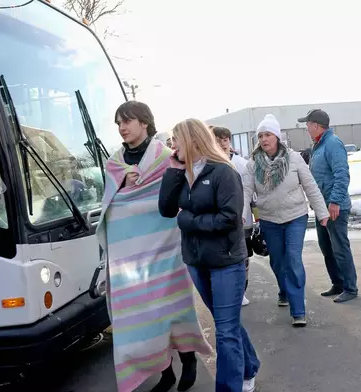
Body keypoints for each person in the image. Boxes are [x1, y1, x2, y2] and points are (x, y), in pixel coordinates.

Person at [97, 102, 211, 392]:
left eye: (128, 121)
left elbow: (181, 190)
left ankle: (188, 359)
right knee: (144, 317)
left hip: (165, 249)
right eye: (119, 123)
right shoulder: (115, 162)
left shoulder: (165, 156)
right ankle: (166, 373)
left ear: (144, 123)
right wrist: (124, 178)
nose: (122, 127)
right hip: (130, 257)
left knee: (172, 309)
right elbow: (110, 202)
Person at [159, 118, 260, 392]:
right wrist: (172, 171)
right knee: (226, 323)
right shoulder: (182, 173)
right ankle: (249, 366)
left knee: (225, 332)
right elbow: (166, 210)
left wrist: (189, 221)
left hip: (226, 261)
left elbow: (230, 218)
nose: (172, 146)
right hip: (196, 261)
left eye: (176, 140)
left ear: (192, 140)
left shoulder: (223, 173)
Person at [242, 114, 330, 326]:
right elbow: (245, 192)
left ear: (277, 136)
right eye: (260, 135)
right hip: (270, 220)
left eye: (268, 134)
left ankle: (298, 310)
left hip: (295, 217)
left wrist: (322, 212)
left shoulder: (294, 158)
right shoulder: (253, 164)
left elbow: (310, 186)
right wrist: (241, 217)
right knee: (278, 261)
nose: (264, 139)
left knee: (292, 259)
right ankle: (284, 289)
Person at [298, 109, 358, 303]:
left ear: (316, 125)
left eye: (307, 125)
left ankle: (350, 287)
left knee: (340, 248)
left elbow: (342, 175)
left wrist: (335, 201)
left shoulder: (332, 144)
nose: (306, 129)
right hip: (322, 208)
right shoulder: (318, 145)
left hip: (334, 207)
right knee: (327, 248)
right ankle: (338, 283)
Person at [211, 125, 253, 307]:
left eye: (225, 139)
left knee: (242, 257)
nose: (221, 144)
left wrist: (256, 219)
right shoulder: (208, 164)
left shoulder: (241, 164)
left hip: (242, 220)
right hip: (219, 220)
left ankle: (241, 291)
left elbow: (252, 194)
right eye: (217, 140)